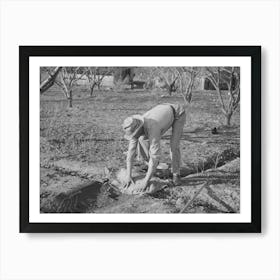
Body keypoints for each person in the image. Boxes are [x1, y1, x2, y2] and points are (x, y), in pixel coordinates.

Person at [122, 103, 186, 193]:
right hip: (163, 110)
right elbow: (130, 152)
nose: (134, 136)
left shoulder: (153, 128)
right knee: (141, 139)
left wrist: (145, 181)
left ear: (139, 128)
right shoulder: (134, 125)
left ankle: (176, 174)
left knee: (174, 145)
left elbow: (155, 155)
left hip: (178, 113)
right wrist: (128, 175)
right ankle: (151, 166)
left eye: (135, 134)